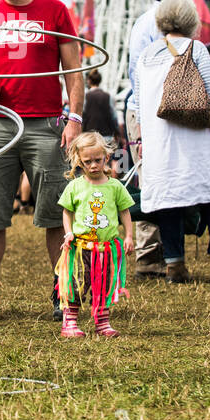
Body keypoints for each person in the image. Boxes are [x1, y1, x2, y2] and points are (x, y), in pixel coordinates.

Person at [0, 0, 83, 321]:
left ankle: (63, 292)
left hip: (46, 123)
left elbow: (74, 70)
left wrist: (75, 118)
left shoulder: (55, 10)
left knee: (55, 213)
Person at [132, 0, 210, 283]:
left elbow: (141, 102)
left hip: (159, 140)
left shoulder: (145, 57)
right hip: (196, 137)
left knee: (169, 202)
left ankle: (174, 264)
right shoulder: (197, 49)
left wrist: (143, 139)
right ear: (191, 20)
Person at [124, 0, 188, 280]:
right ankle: (149, 257)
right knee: (151, 179)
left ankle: (160, 253)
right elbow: (140, 75)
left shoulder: (147, 21)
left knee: (159, 178)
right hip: (149, 114)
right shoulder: (157, 23)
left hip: (153, 111)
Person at [56, 131, 135, 338]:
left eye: (97, 160)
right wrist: (68, 233)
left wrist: (128, 236)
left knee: (105, 285)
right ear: (79, 161)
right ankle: (70, 322)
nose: (93, 165)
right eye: (87, 161)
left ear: (106, 158)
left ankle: (102, 322)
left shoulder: (114, 186)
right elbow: (67, 211)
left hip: (106, 249)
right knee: (77, 283)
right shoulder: (75, 186)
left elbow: (125, 211)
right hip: (82, 248)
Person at [81, 69, 122, 143]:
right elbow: (114, 117)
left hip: (89, 135)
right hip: (106, 135)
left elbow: (83, 115)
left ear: (89, 81)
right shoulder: (108, 96)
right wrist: (117, 132)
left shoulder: (86, 96)